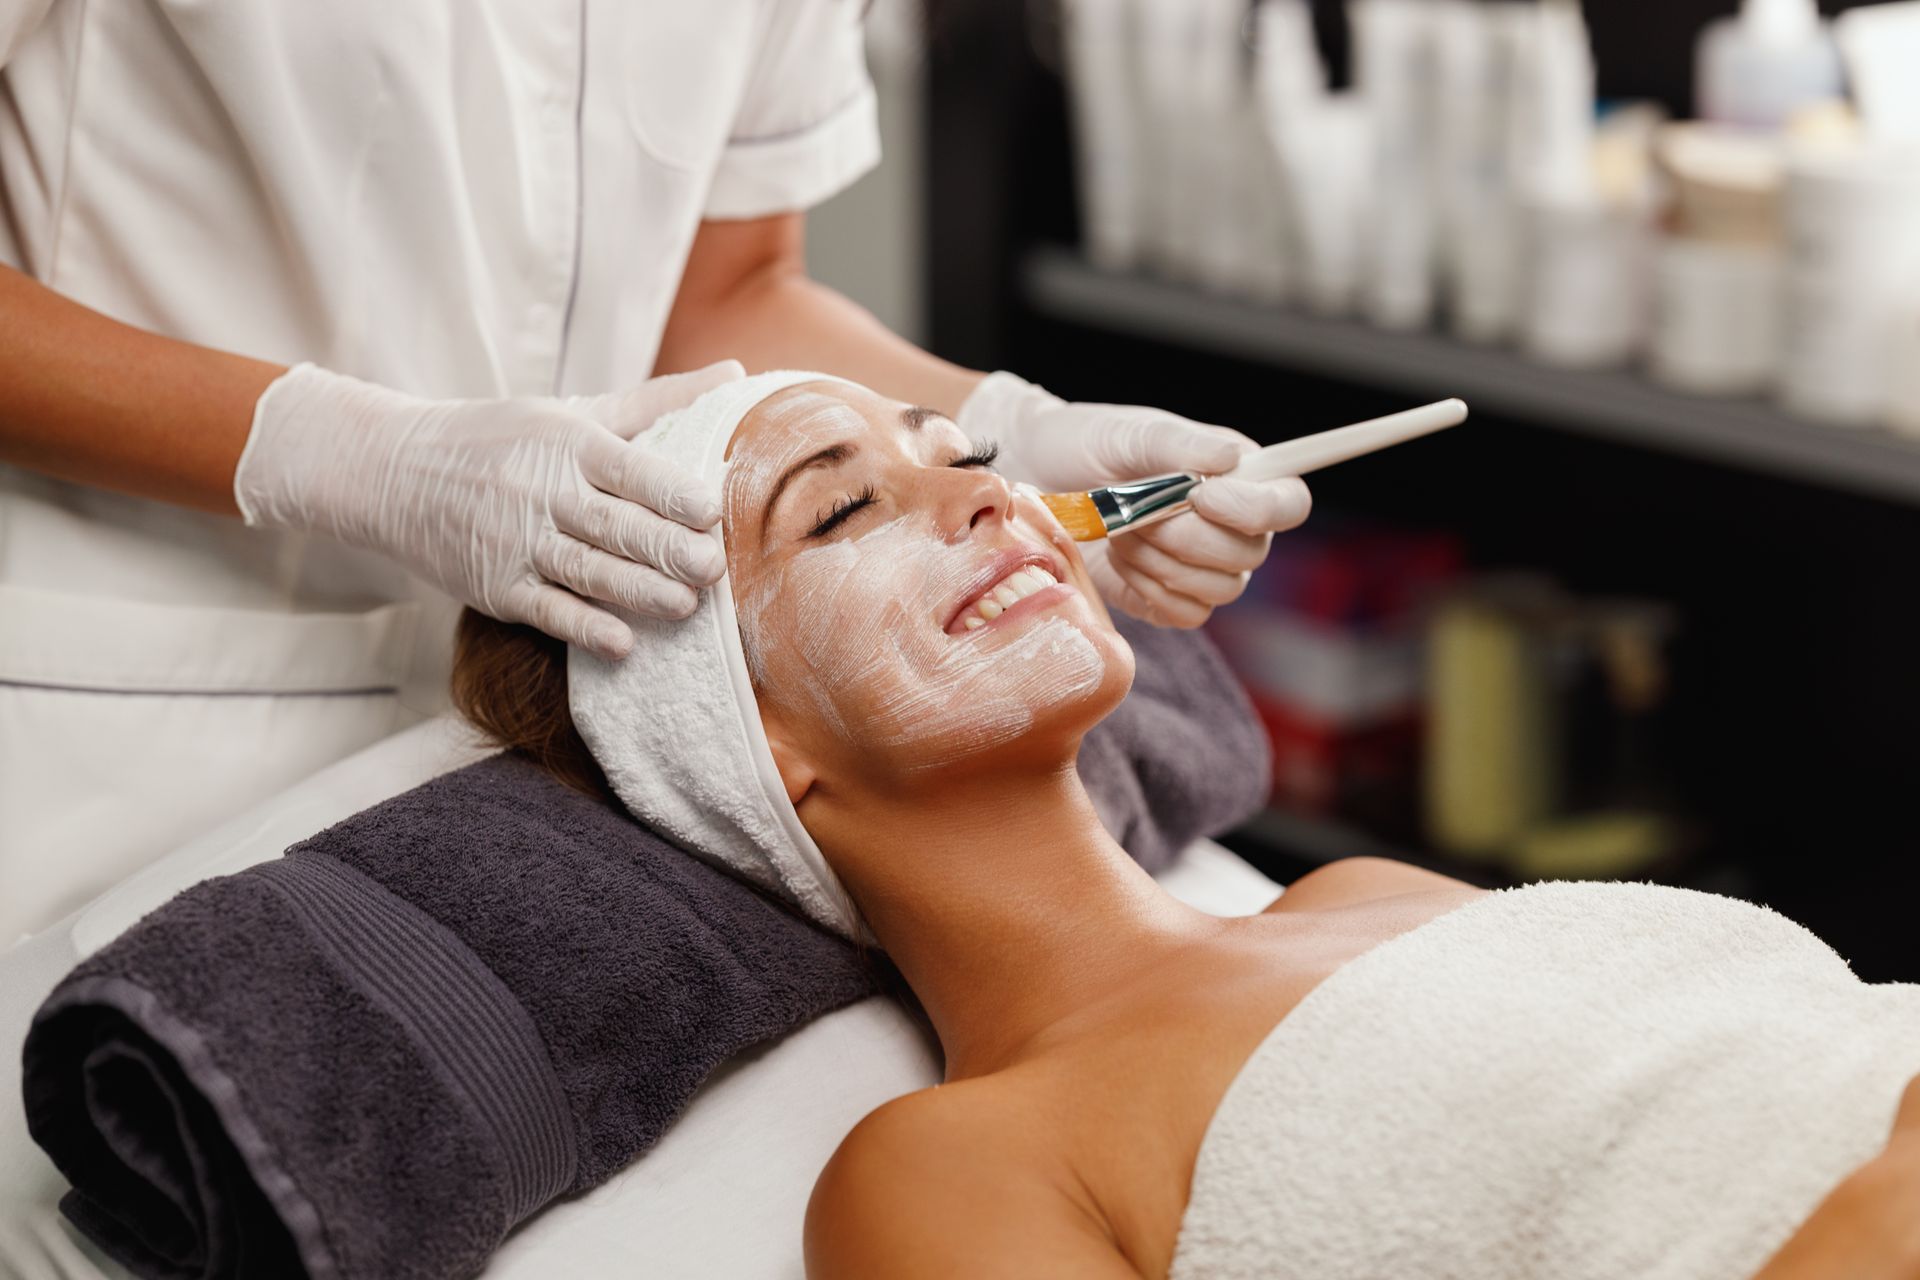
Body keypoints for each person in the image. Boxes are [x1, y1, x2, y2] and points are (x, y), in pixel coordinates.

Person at [457, 373, 1920, 1279]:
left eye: (962, 450)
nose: (983, 496)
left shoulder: (1369, 892)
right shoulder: (946, 1173)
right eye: (841, 514)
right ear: (743, 747)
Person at [0, 2, 1310, 943]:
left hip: (564, 748)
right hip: (136, 710)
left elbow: (725, 293)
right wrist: (345, 456)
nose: (967, 493)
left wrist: (1015, 431)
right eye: (846, 504)